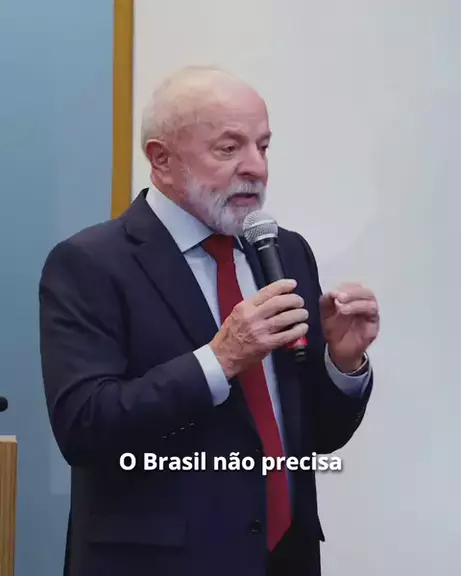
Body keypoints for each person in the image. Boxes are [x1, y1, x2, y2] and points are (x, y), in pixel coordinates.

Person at [39, 65, 380, 576]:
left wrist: (343, 364)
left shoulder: (285, 251)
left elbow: (310, 438)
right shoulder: (91, 263)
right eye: (229, 148)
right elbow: (84, 428)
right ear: (161, 159)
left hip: (284, 560)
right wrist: (218, 361)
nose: (256, 168)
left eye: (263, 146)